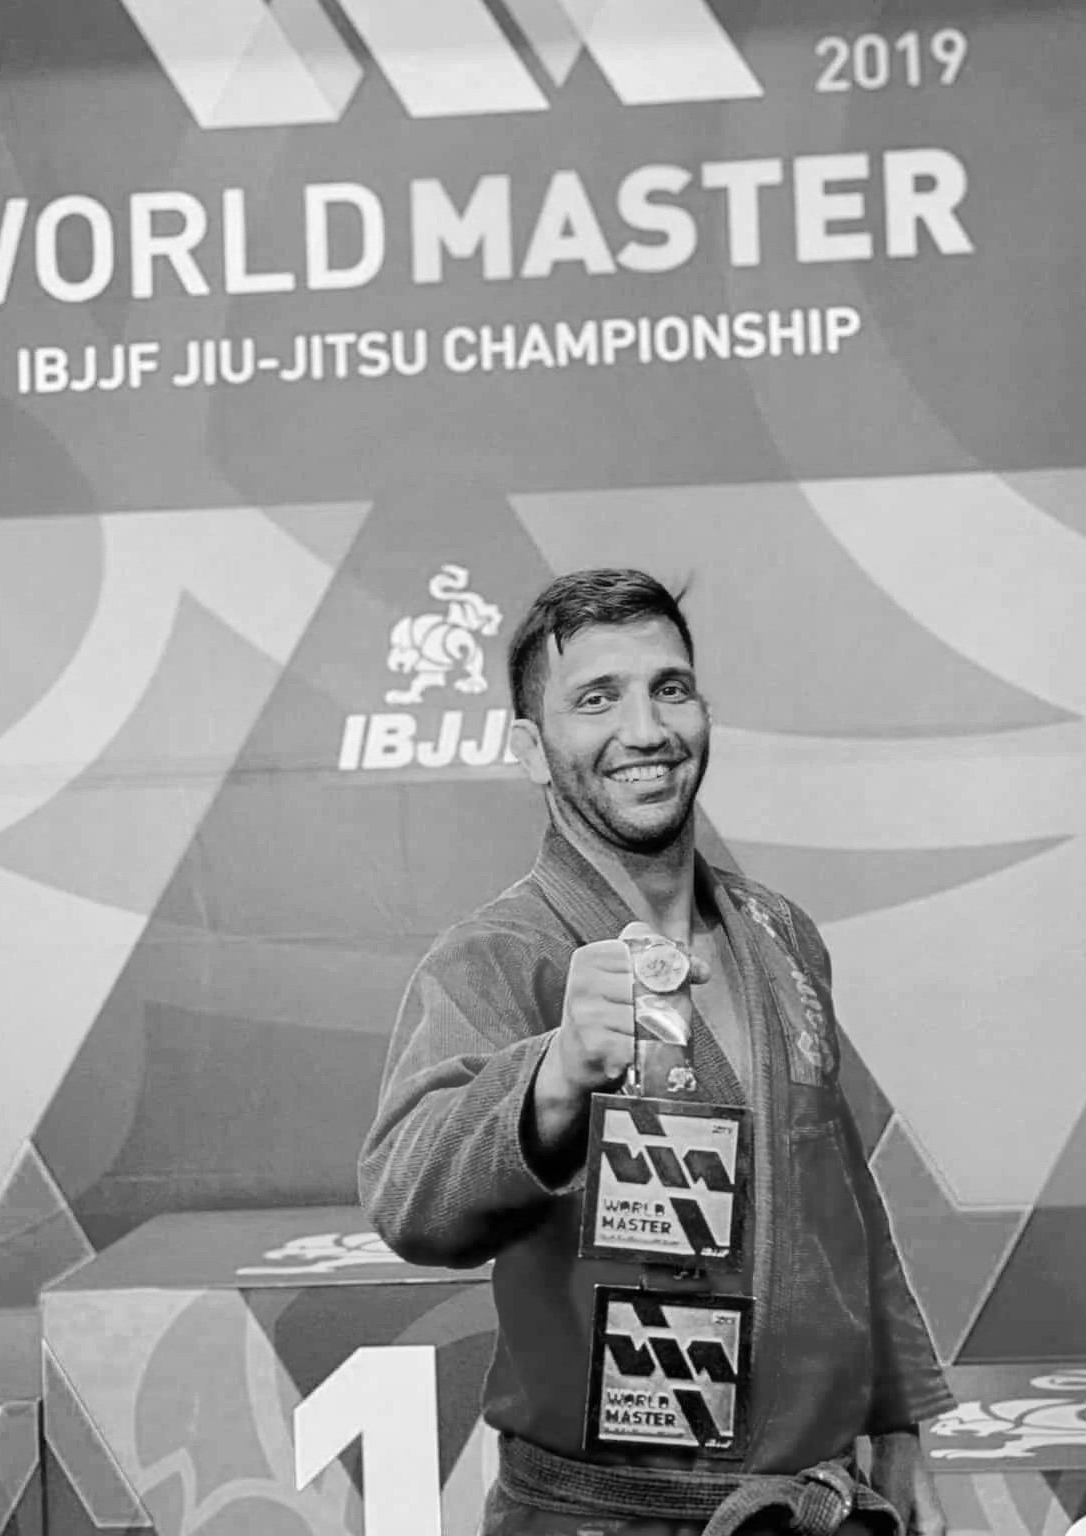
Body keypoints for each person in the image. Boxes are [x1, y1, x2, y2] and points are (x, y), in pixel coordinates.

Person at [358, 570, 954, 1536]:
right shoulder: (500, 956)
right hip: (603, 1516)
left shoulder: (781, 935)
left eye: (669, 688)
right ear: (531, 748)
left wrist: (901, 1422)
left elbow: (844, 1202)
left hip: (817, 1506)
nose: (645, 729)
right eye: (596, 699)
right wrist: (551, 1077)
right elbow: (408, 1197)